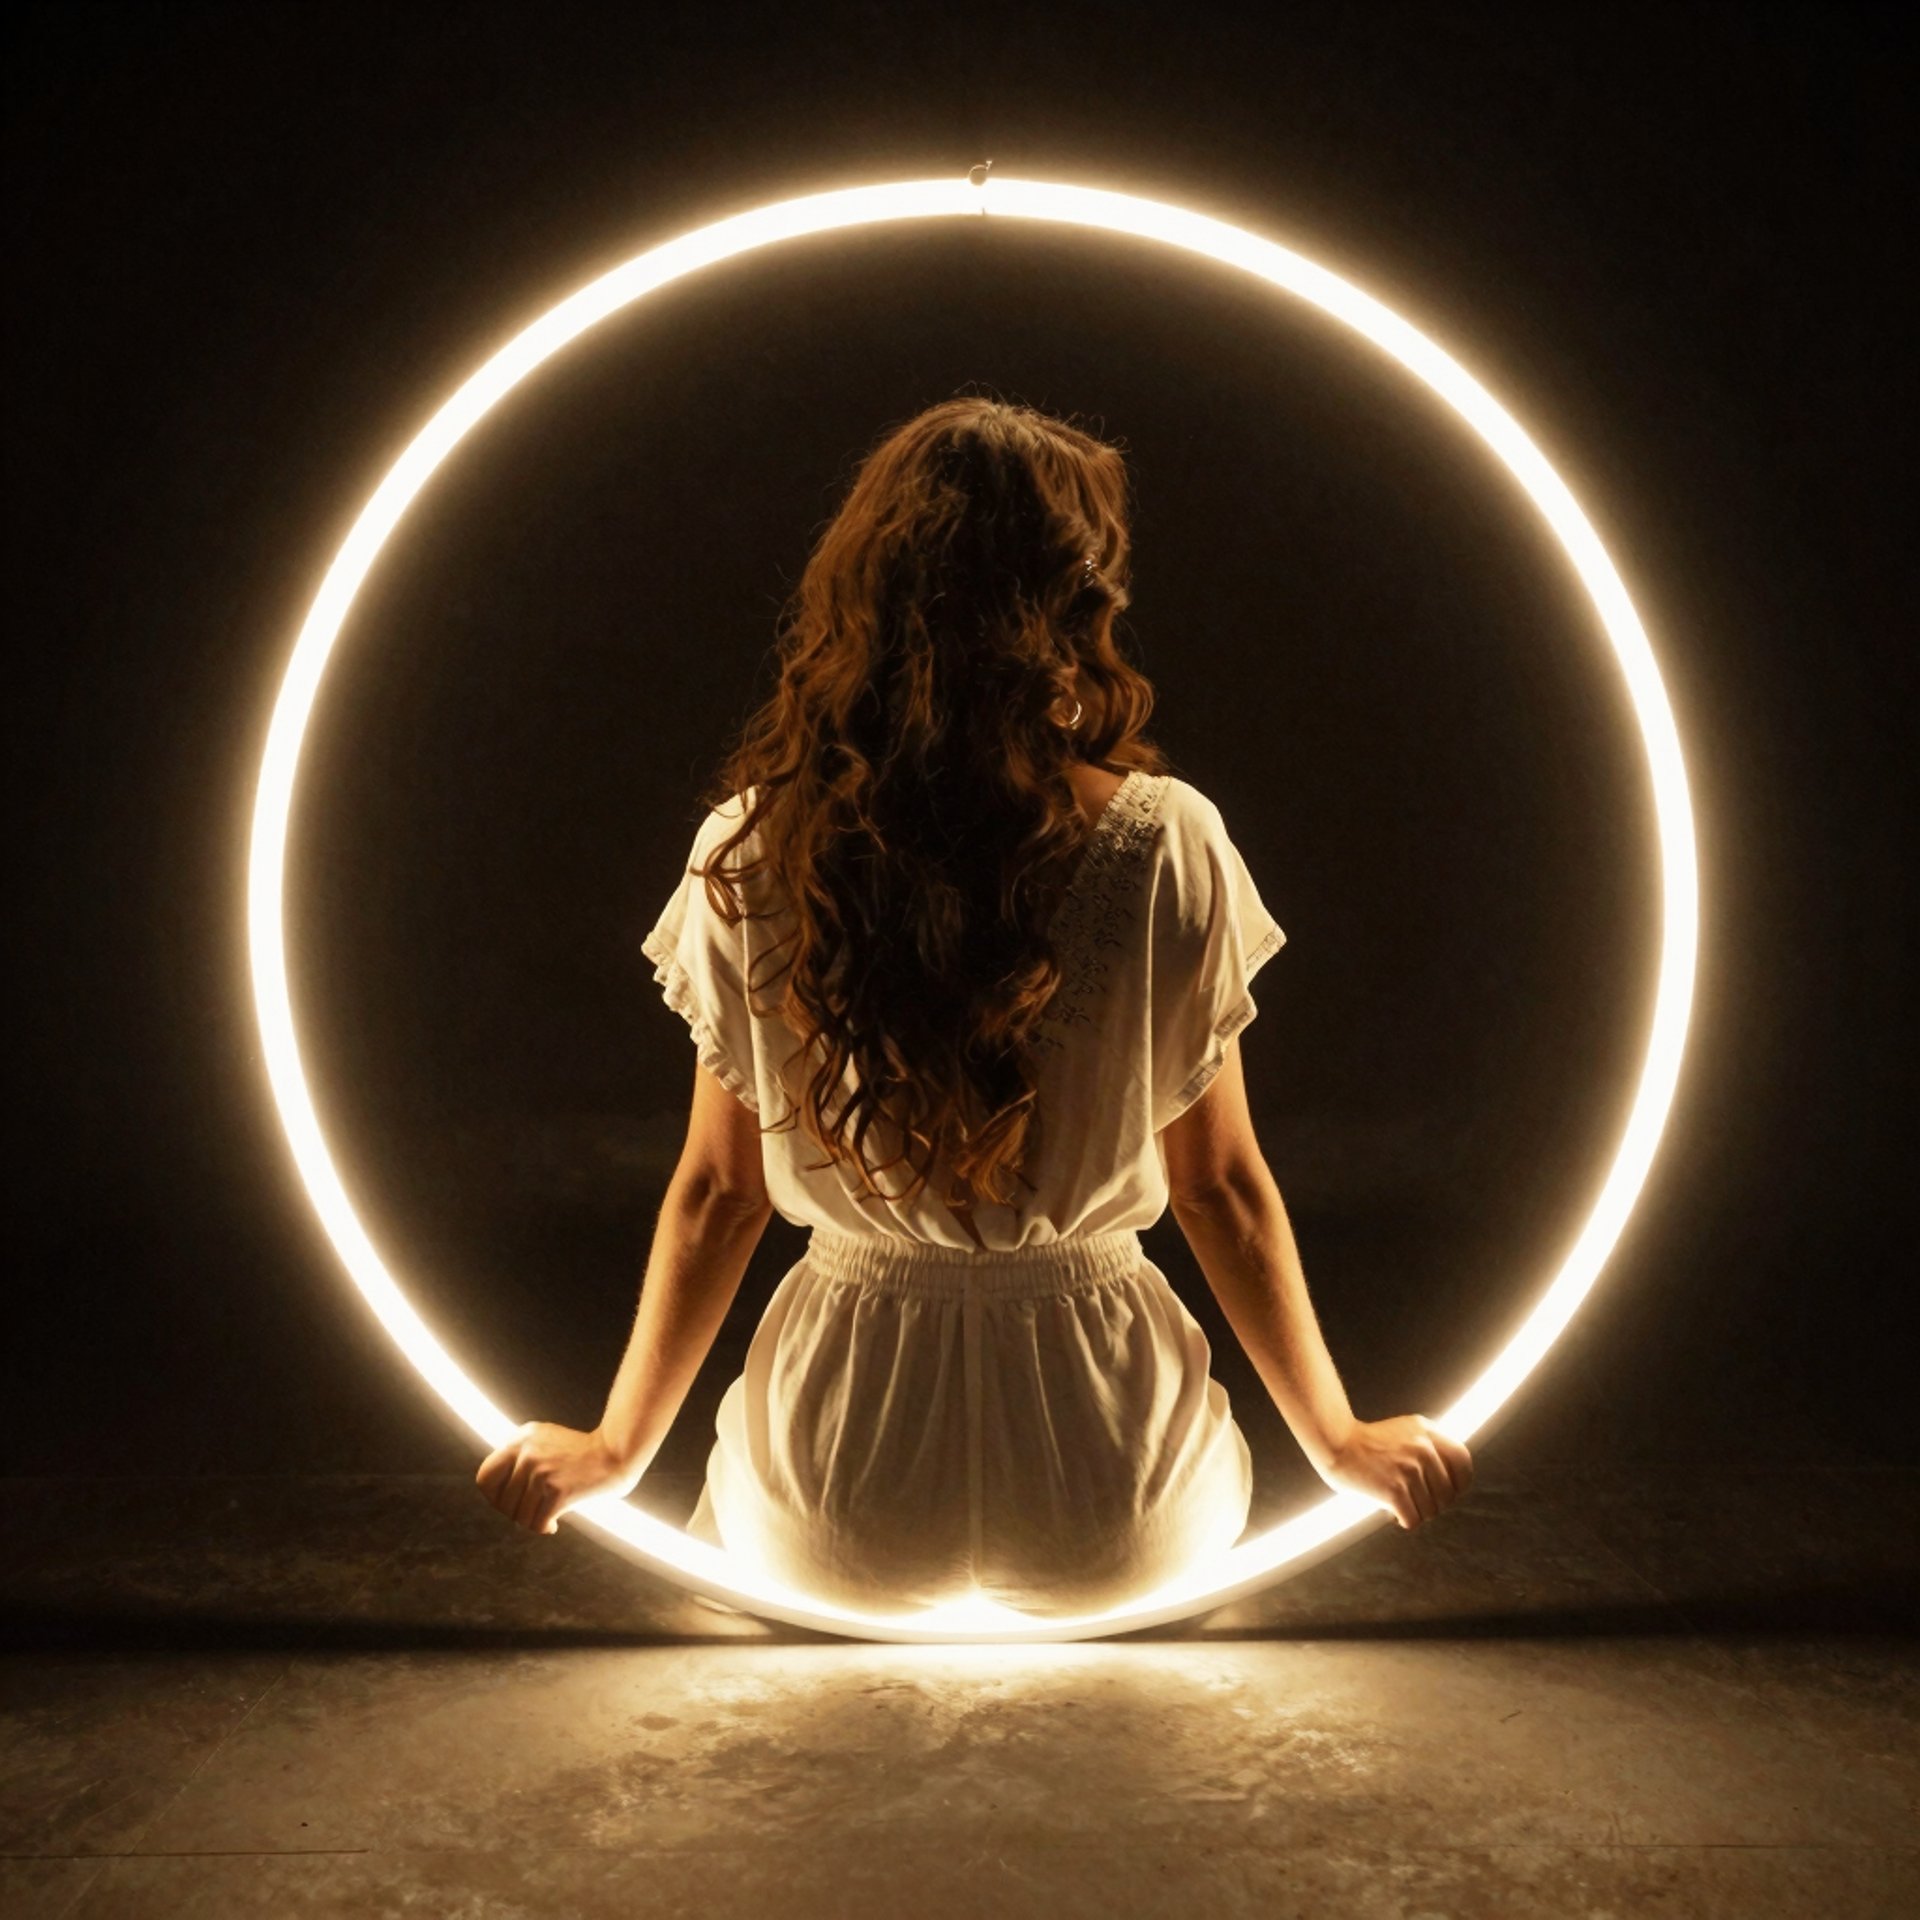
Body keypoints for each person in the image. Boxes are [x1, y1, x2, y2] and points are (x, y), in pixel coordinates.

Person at [476, 394, 1473, 1617]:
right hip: (1115, 1513)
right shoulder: (1167, 843)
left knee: (776, 1523)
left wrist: (613, 1448)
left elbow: (720, 1194)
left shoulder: (747, 850)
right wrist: (1339, 1441)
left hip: (834, 1509)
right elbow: (1219, 1189)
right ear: (1068, 601)